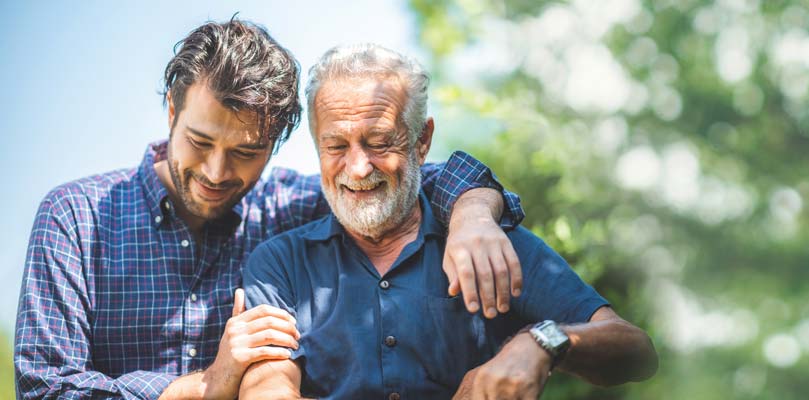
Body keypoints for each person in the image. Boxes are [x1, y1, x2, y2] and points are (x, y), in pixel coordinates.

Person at [15, 18, 527, 400]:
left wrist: (473, 214)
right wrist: (202, 387)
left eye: (245, 152)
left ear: (276, 144)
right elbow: (44, 388)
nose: (217, 172)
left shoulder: (292, 206)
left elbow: (407, 178)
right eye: (199, 142)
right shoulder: (75, 217)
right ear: (172, 111)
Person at [238, 43, 658, 399]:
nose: (359, 168)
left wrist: (541, 341)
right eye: (335, 146)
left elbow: (636, 351)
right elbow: (267, 388)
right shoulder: (280, 262)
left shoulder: (489, 242)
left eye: (380, 142)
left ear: (422, 141)